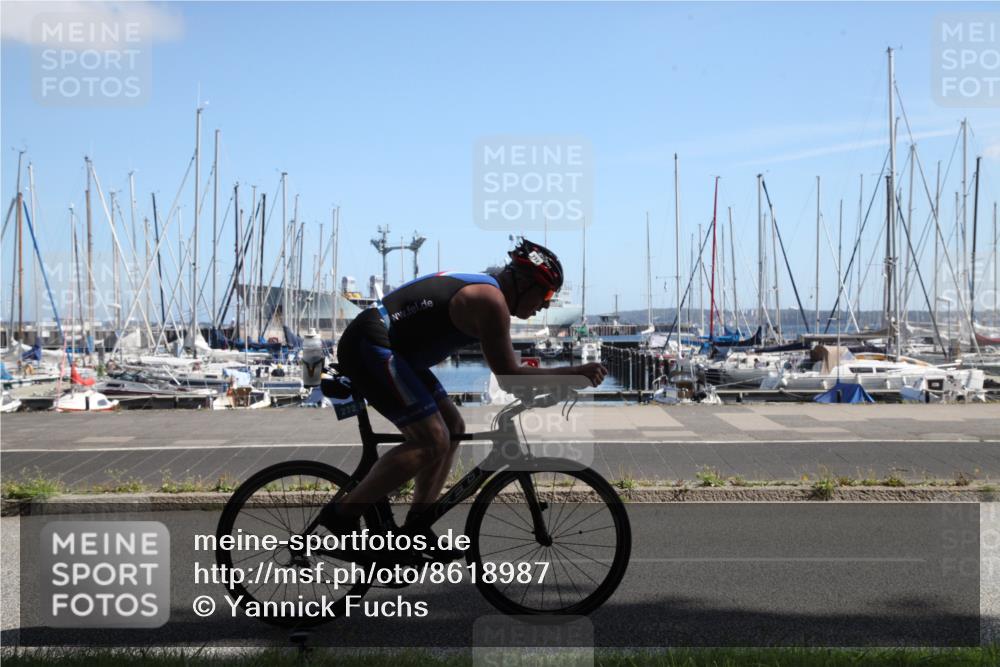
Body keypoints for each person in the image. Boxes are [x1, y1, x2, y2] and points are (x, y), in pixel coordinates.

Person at [320, 238, 607, 557]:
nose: (546, 305)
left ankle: (416, 526)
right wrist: (574, 373)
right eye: (547, 294)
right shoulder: (490, 301)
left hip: (396, 353)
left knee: (452, 426)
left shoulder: (491, 295)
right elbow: (508, 376)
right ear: (525, 283)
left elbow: (509, 374)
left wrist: (553, 386)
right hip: (371, 346)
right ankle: (342, 515)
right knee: (432, 439)